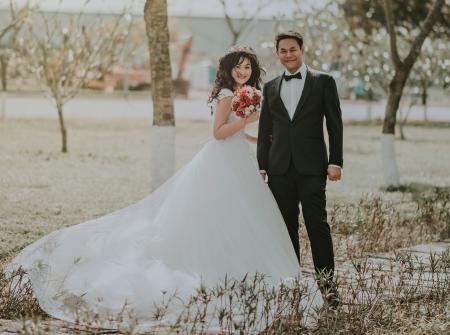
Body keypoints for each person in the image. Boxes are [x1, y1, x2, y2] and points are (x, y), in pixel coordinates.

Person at [5, 45, 323, 330]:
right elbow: (219, 133)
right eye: (238, 67)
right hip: (222, 161)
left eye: (248, 67)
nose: (243, 72)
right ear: (227, 70)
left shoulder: (239, 94)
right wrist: (248, 121)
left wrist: (261, 137)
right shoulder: (228, 95)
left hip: (236, 158)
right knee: (223, 214)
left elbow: (234, 134)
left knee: (238, 217)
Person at [257, 31, 343, 307]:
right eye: (283, 50)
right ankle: (291, 287)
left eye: (292, 49)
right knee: (285, 228)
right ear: (277, 53)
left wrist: (335, 160)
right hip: (279, 167)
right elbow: (264, 130)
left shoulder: (323, 82)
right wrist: (262, 165)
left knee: (317, 225)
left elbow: (334, 124)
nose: (288, 54)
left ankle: (328, 290)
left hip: (312, 167)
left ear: (302, 50)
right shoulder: (269, 87)